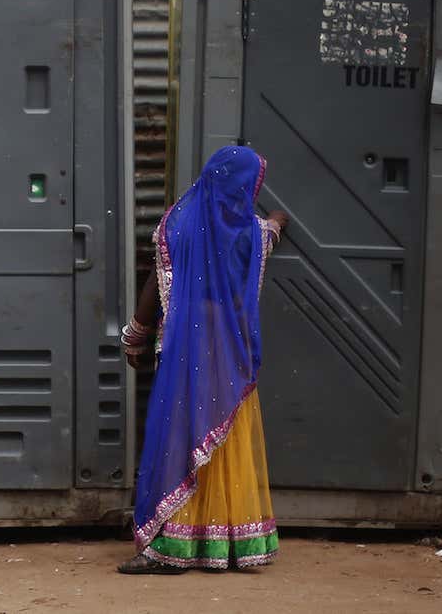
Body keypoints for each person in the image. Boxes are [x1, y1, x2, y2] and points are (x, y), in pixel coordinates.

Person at [119, 145, 289, 574]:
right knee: (224, 442)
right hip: (230, 360)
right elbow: (269, 233)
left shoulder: (176, 225)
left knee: (181, 439)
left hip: (183, 357)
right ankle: (230, 543)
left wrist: (134, 338)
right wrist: (279, 222)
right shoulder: (252, 233)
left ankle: (174, 548)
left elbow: (152, 287)